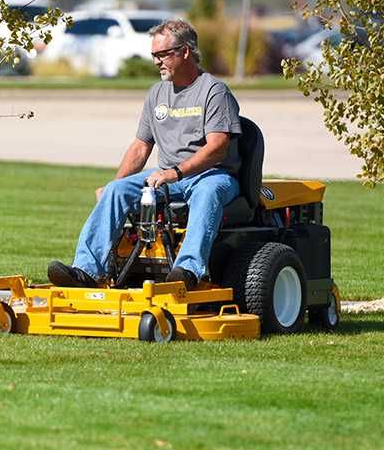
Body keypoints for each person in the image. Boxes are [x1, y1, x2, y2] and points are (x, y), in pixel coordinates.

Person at [47, 18, 242, 291]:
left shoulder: (214, 91)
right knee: (116, 191)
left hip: (211, 175)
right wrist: (114, 184)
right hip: (167, 176)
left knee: (207, 193)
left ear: (185, 51)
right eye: (154, 55)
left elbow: (217, 146)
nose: (156, 62)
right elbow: (141, 146)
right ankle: (87, 270)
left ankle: (187, 270)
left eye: (162, 54)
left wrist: (176, 173)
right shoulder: (157, 94)